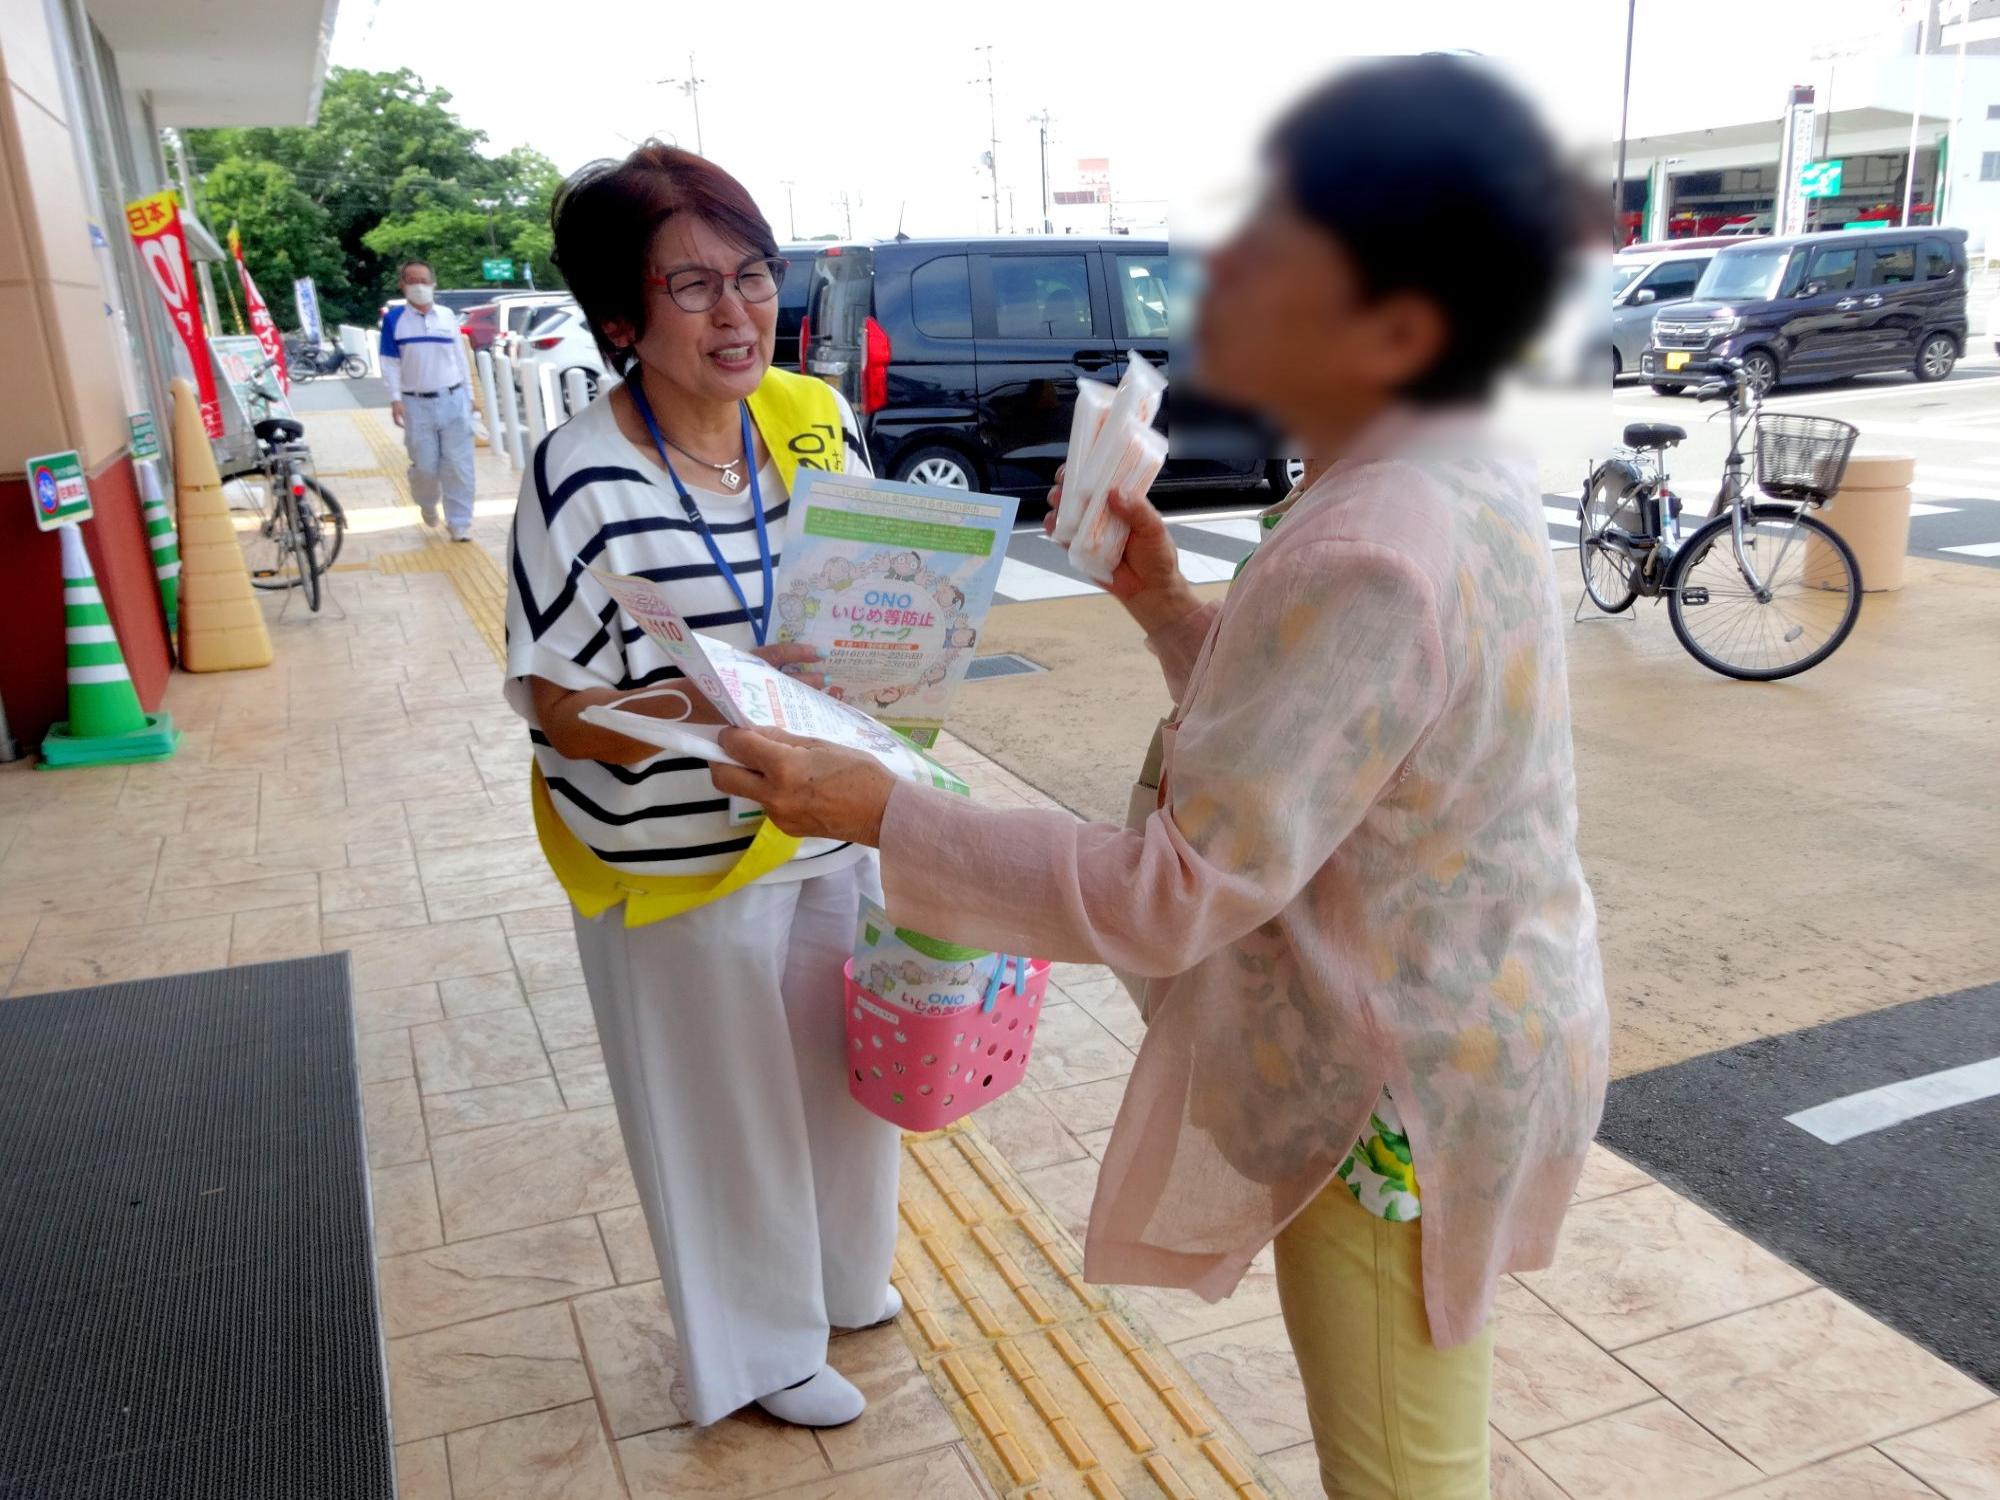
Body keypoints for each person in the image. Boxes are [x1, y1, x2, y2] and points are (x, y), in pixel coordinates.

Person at [709, 56, 1610, 1499]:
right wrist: (1169, 606)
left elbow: (1177, 888)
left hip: (1391, 1087)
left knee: (1401, 1468)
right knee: (1423, 1428)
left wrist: (881, 812)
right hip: (1474, 1034)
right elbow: (1337, 754)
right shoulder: (1453, 469)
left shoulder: (1367, 535)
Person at [502, 143, 899, 1432]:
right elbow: (558, 707)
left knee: (841, 1076)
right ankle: (762, 1351)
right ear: (621, 319)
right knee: (722, 1112)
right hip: (678, 851)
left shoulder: (810, 418)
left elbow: (868, 583)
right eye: (690, 286)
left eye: (751, 275)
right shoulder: (579, 474)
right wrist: (719, 701)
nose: (736, 313)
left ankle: (843, 1280)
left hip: (825, 816)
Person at [380, 259, 477, 542]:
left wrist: (470, 396)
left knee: (458, 465)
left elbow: (460, 359)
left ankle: (459, 523)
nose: (419, 286)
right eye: (412, 281)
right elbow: (389, 362)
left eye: (424, 280)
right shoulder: (394, 320)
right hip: (415, 404)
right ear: (402, 285)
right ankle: (426, 503)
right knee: (425, 466)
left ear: (433, 283)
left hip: (453, 398)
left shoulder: (447, 317)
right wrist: (395, 399)